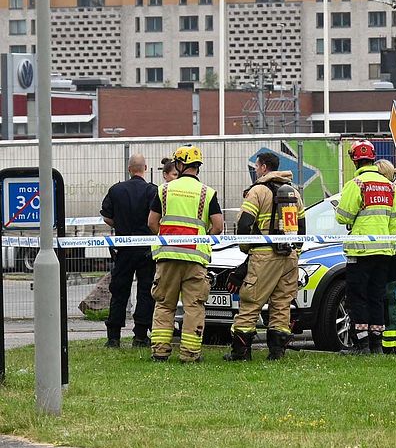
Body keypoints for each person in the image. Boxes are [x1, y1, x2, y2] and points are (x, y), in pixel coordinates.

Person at [224, 152, 306, 361]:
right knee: (281, 305)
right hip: (289, 257)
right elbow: (303, 229)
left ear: (262, 168)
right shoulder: (294, 193)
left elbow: (244, 224)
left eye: (257, 166)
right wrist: (294, 250)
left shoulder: (258, 191)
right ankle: (277, 353)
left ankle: (240, 353)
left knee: (250, 303)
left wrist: (247, 249)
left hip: (263, 256)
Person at [147, 144, 224, 363]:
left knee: (164, 304)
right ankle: (190, 354)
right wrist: (202, 237)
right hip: (194, 258)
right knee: (194, 306)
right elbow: (218, 226)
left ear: (179, 165)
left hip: (168, 257)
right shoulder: (207, 193)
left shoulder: (164, 189)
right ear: (197, 167)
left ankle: (160, 352)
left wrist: (165, 237)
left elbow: (152, 222)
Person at [336, 140, 396, 355]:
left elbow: (343, 216)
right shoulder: (389, 185)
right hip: (384, 251)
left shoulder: (357, 184)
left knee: (357, 297)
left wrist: (342, 209)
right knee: (377, 297)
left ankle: (361, 345)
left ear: (354, 159)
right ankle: (376, 345)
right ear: (372, 158)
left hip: (360, 251)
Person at [99, 153, 158, 348]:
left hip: (124, 248)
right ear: (145, 168)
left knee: (119, 291)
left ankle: (113, 337)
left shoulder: (116, 190)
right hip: (146, 249)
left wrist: (120, 224)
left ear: (129, 169)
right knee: (145, 291)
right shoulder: (152, 191)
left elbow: (107, 217)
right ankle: (140, 335)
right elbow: (156, 218)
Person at [375, 159, 396, 355]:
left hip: (390, 251)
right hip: (391, 251)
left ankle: (391, 344)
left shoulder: (390, 195)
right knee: (388, 299)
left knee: (387, 299)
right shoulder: (392, 194)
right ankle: (390, 343)